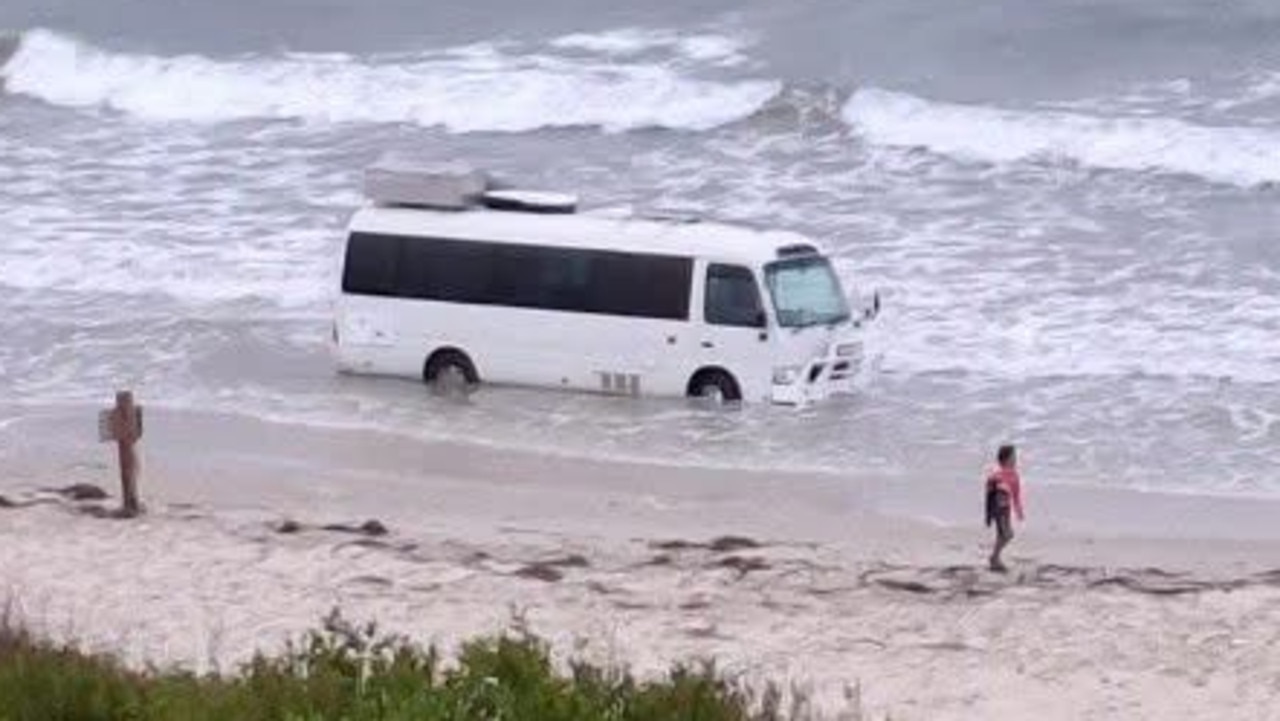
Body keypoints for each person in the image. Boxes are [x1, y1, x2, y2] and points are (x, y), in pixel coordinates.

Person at [984, 444, 1024, 572]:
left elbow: (1016, 495)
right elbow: (989, 492)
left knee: (1004, 535)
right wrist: (989, 513)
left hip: (1006, 509)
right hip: (997, 509)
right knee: (1006, 534)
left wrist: (1018, 511)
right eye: (1013, 457)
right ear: (1005, 459)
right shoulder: (996, 475)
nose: (1015, 460)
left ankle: (995, 558)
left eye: (1015, 457)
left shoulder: (1014, 475)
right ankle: (994, 558)